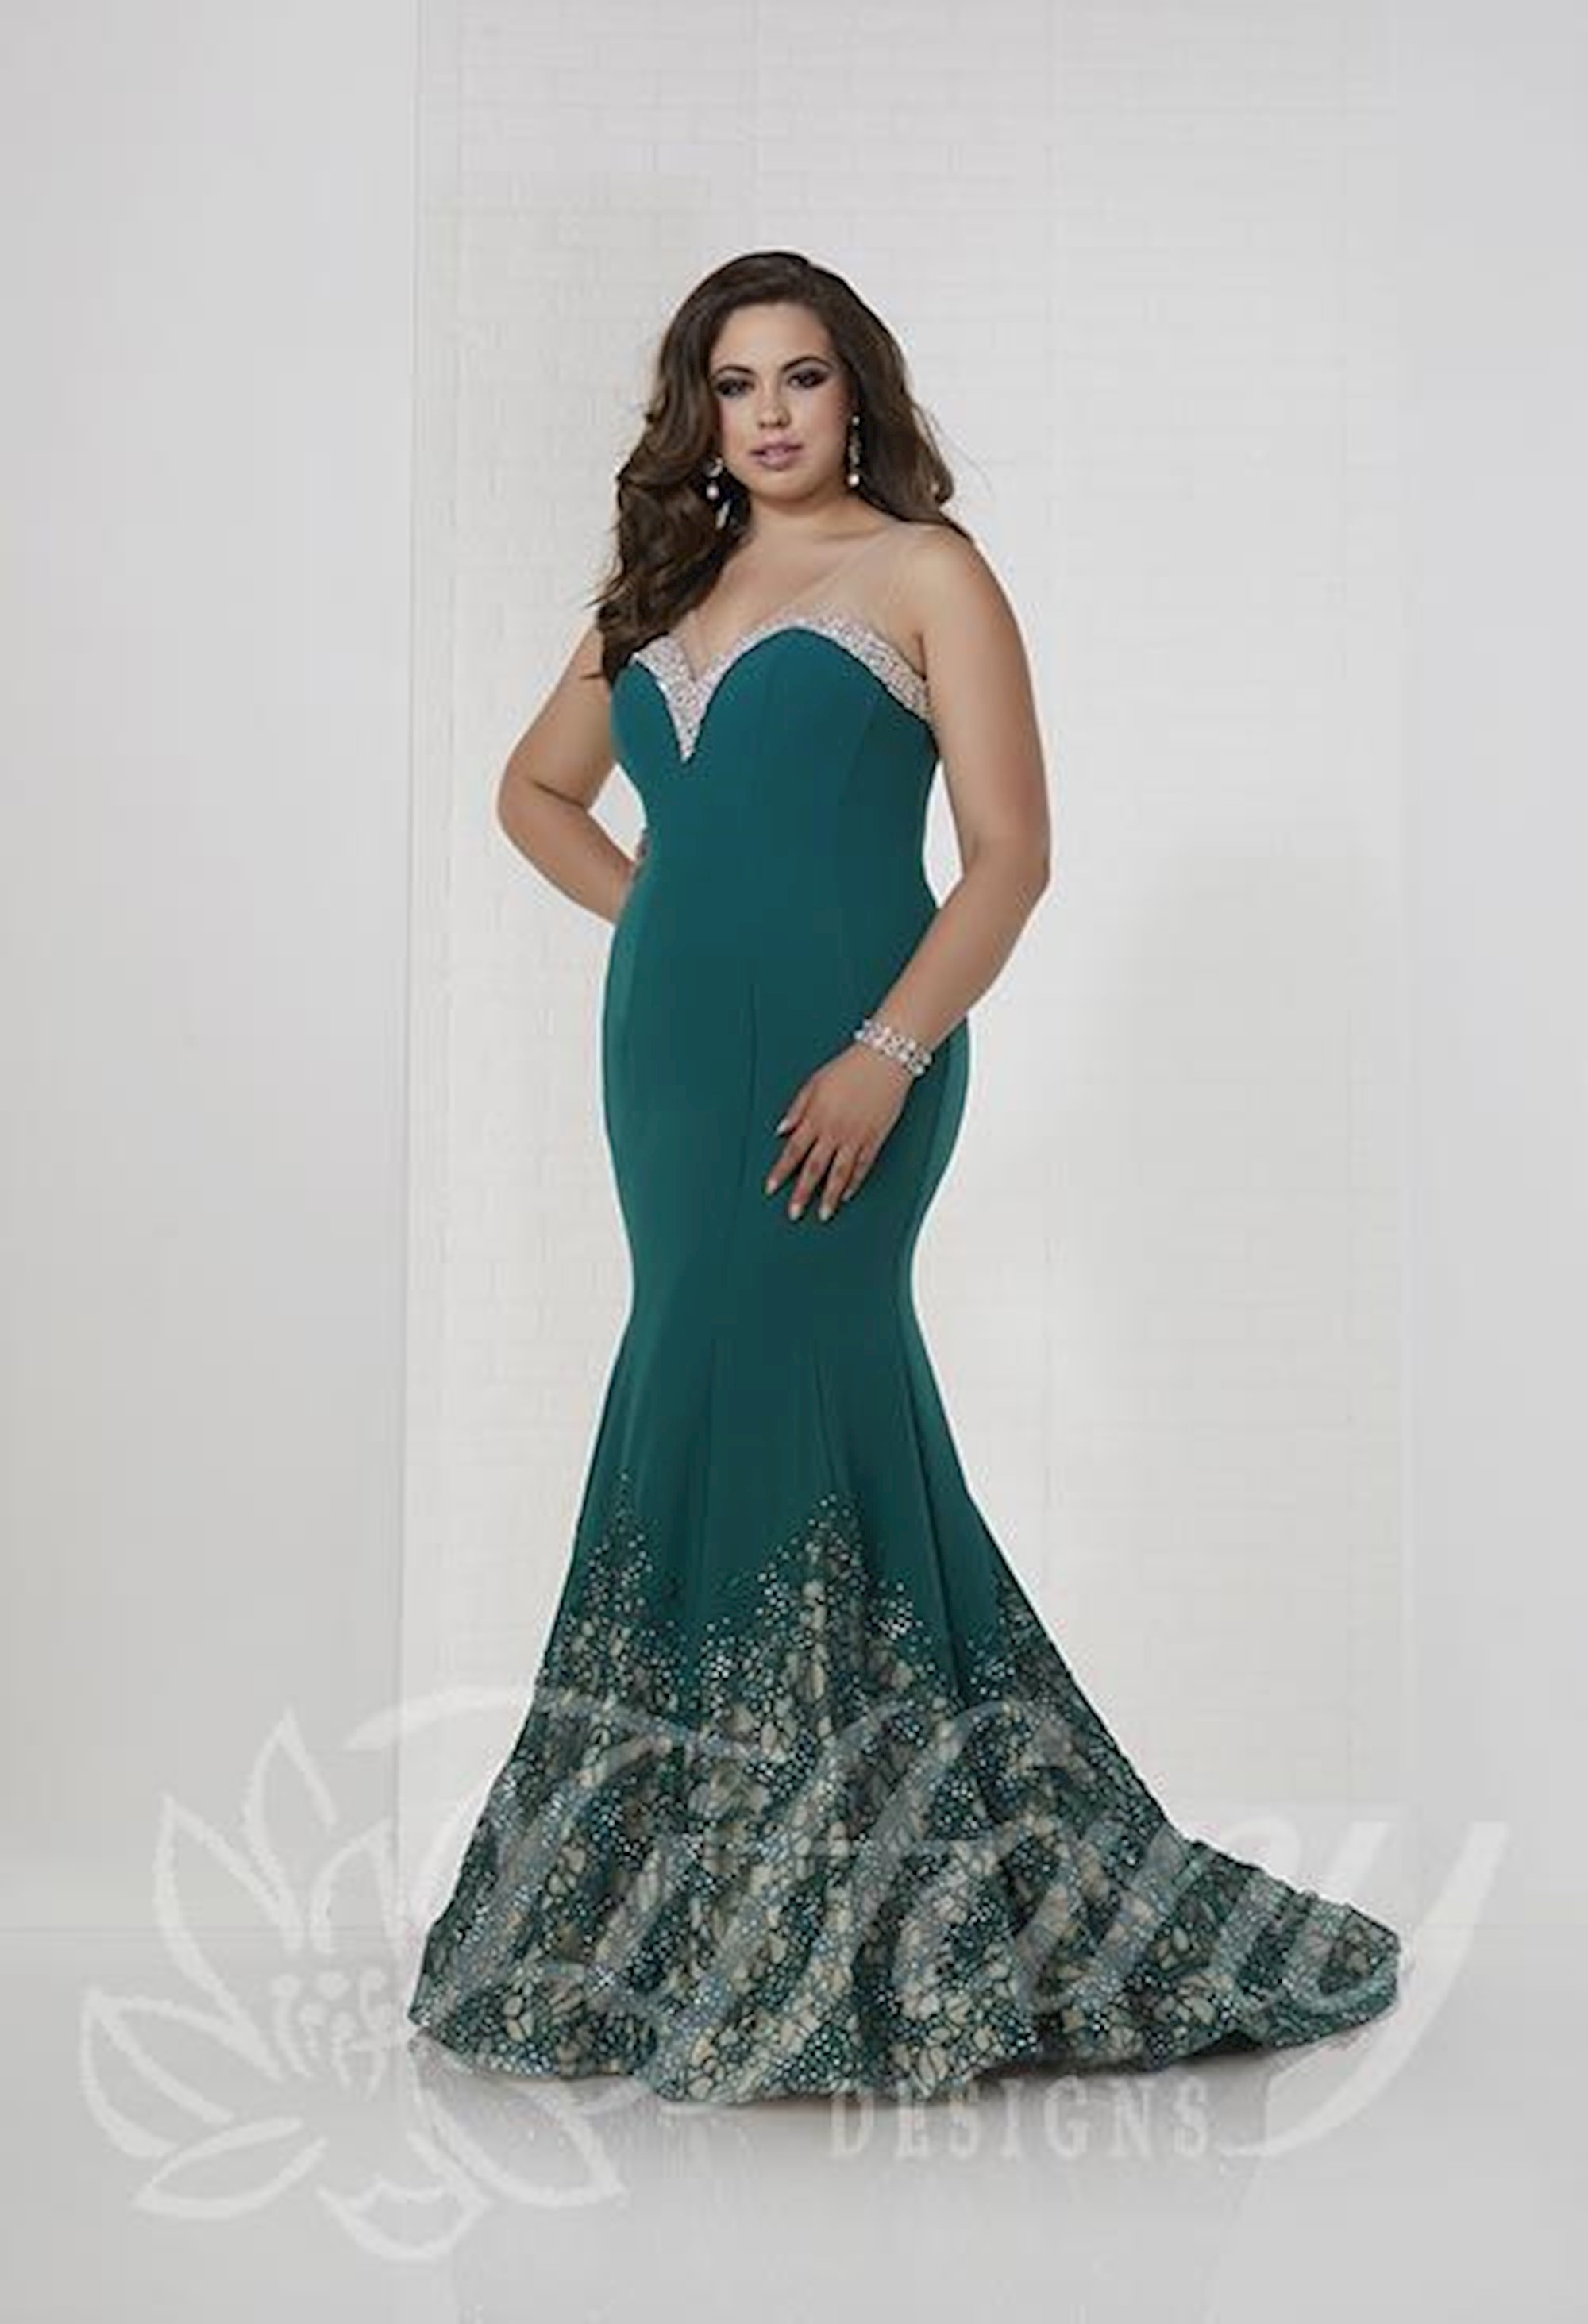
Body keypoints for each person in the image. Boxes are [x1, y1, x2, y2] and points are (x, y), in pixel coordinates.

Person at [406, 249, 1401, 2105]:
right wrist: (667, 924)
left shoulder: (926, 571)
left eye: (798, 376)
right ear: (698, 413)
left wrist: (886, 1049)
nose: (767, 414)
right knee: (682, 1389)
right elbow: (535, 794)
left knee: (807, 1391)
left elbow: (1010, 855)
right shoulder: (660, 588)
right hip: (671, 1066)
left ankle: (867, 1907)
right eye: (732, 385)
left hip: (867, 1050)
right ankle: (676, 1901)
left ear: (854, 389)